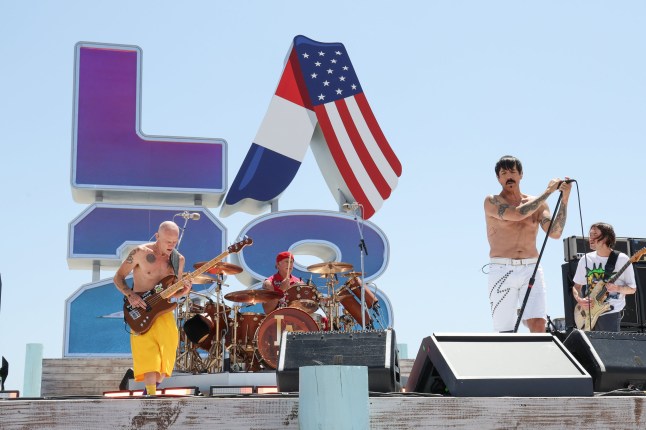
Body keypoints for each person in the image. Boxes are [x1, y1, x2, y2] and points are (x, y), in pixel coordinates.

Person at [484, 155, 572, 333]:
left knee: (539, 324)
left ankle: (536, 356)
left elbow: (554, 232)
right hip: (502, 268)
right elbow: (517, 214)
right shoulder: (492, 201)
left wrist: (564, 200)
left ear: (521, 174)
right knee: (505, 330)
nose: (509, 176)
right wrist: (547, 192)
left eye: (513, 172)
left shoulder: (539, 205)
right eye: (504, 173)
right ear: (498, 178)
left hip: (531, 266)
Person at [113, 221, 192, 395]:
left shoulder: (178, 260)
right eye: (167, 241)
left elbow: (173, 292)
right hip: (139, 308)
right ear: (157, 237)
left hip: (163, 311)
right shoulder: (140, 253)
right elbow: (118, 277)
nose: (171, 245)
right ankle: (151, 395)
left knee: (168, 352)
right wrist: (130, 294)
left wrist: (184, 291)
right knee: (148, 353)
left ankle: (151, 389)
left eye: (174, 241)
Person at [572, 222, 636, 332]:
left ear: (606, 237)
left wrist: (617, 288)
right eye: (590, 234)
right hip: (588, 313)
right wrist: (580, 300)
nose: (590, 238)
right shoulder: (586, 259)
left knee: (607, 348)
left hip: (610, 313)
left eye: (594, 234)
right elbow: (576, 287)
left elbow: (632, 289)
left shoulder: (622, 259)